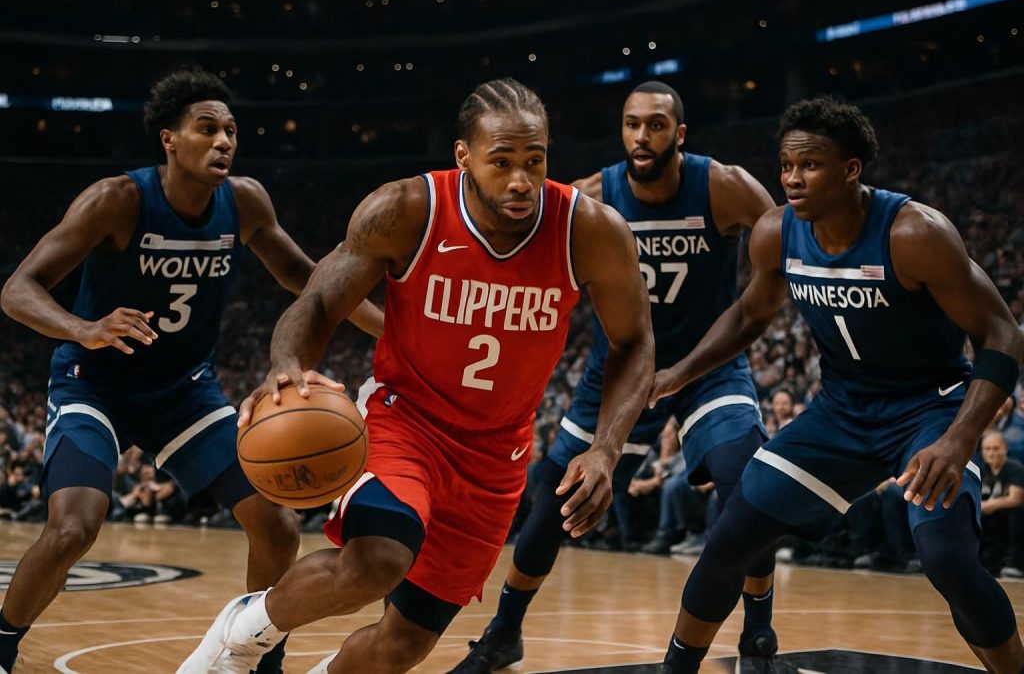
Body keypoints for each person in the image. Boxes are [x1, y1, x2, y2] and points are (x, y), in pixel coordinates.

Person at [177, 77, 654, 674]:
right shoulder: (406, 210)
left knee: (403, 644)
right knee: (377, 560)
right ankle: (242, 635)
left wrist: (606, 450)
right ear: (463, 156)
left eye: (534, 161)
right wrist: (287, 363)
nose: (520, 180)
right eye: (501, 162)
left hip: (495, 457)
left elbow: (635, 343)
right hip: (406, 423)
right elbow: (321, 302)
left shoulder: (589, 230)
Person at [0, 68, 382, 674]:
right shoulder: (117, 200)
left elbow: (307, 280)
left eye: (231, 130)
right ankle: (2, 642)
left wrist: (388, 328)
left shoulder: (245, 201)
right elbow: (18, 289)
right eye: (207, 129)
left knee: (278, 523)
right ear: (169, 139)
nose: (224, 141)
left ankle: (259, 656)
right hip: (96, 382)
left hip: (184, 391)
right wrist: (85, 328)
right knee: (75, 526)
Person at [650, 96, 1024, 674]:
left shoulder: (914, 233)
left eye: (811, 165)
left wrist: (959, 438)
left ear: (851, 169)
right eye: (786, 165)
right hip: (840, 412)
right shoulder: (775, 232)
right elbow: (750, 316)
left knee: (946, 558)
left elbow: (1002, 333)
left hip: (928, 410)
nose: (793, 179)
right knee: (731, 538)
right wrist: (681, 371)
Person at [452, 80, 778, 674]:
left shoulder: (724, 187)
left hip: (706, 368)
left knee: (744, 479)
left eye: (655, 125)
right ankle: (504, 631)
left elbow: (787, 243)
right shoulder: (593, 198)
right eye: (631, 124)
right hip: (622, 369)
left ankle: (758, 632)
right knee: (553, 502)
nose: (641, 136)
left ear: (679, 133)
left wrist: (750, 315)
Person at [978, 430, 1024, 575]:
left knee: (1017, 511)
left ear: (1005, 449)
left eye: (996, 448)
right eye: (987, 449)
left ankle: (1015, 564)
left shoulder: (1015, 468)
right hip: (989, 519)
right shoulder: (980, 470)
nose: (991, 453)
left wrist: (989, 505)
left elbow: (1016, 499)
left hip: (1010, 519)